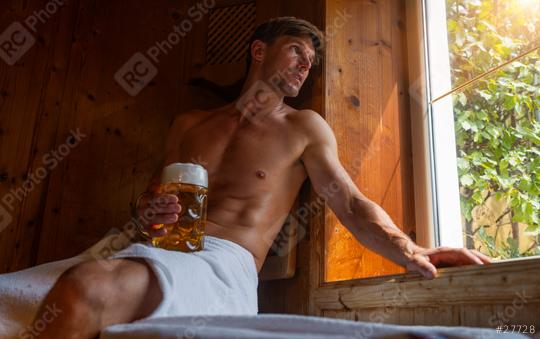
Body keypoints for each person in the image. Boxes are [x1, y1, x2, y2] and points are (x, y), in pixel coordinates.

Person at [30, 16, 491, 338]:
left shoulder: (303, 128)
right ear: (258, 51)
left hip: (222, 266)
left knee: (86, 286)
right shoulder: (189, 125)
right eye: (296, 51)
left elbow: (349, 203)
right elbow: (152, 203)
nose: (305, 64)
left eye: (311, 59)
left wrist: (412, 249)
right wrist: (148, 211)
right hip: (156, 250)